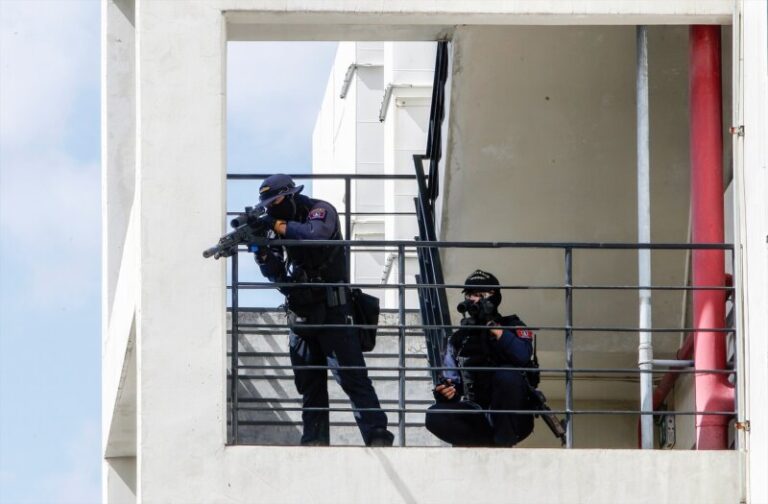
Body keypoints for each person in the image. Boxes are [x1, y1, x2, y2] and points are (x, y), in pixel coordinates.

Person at [251, 173, 394, 447]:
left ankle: (377, 433)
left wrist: (278, 226)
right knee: (309, 383)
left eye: (276, 201)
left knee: (351, 376)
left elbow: (315, 236)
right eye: (268, 205)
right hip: (302, 312)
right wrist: (263, 253)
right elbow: (277, 275)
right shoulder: (276, 224)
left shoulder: (319, 210)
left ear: (290, 195)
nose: (271, 208)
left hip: (334, 309)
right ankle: (314, 440)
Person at [425, 269, 536, 447]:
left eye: (479, 294)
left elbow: (522, 356)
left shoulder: (513, 326)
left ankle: (502, 443)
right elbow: (452, 381)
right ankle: (486, 445)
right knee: (435, 415)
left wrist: (494, 328)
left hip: (513, 416)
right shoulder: (459, 339)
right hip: (476, 413)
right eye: (469, 295)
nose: (473, 299)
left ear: (494, 297)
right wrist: (445, 393)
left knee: (506, 375)